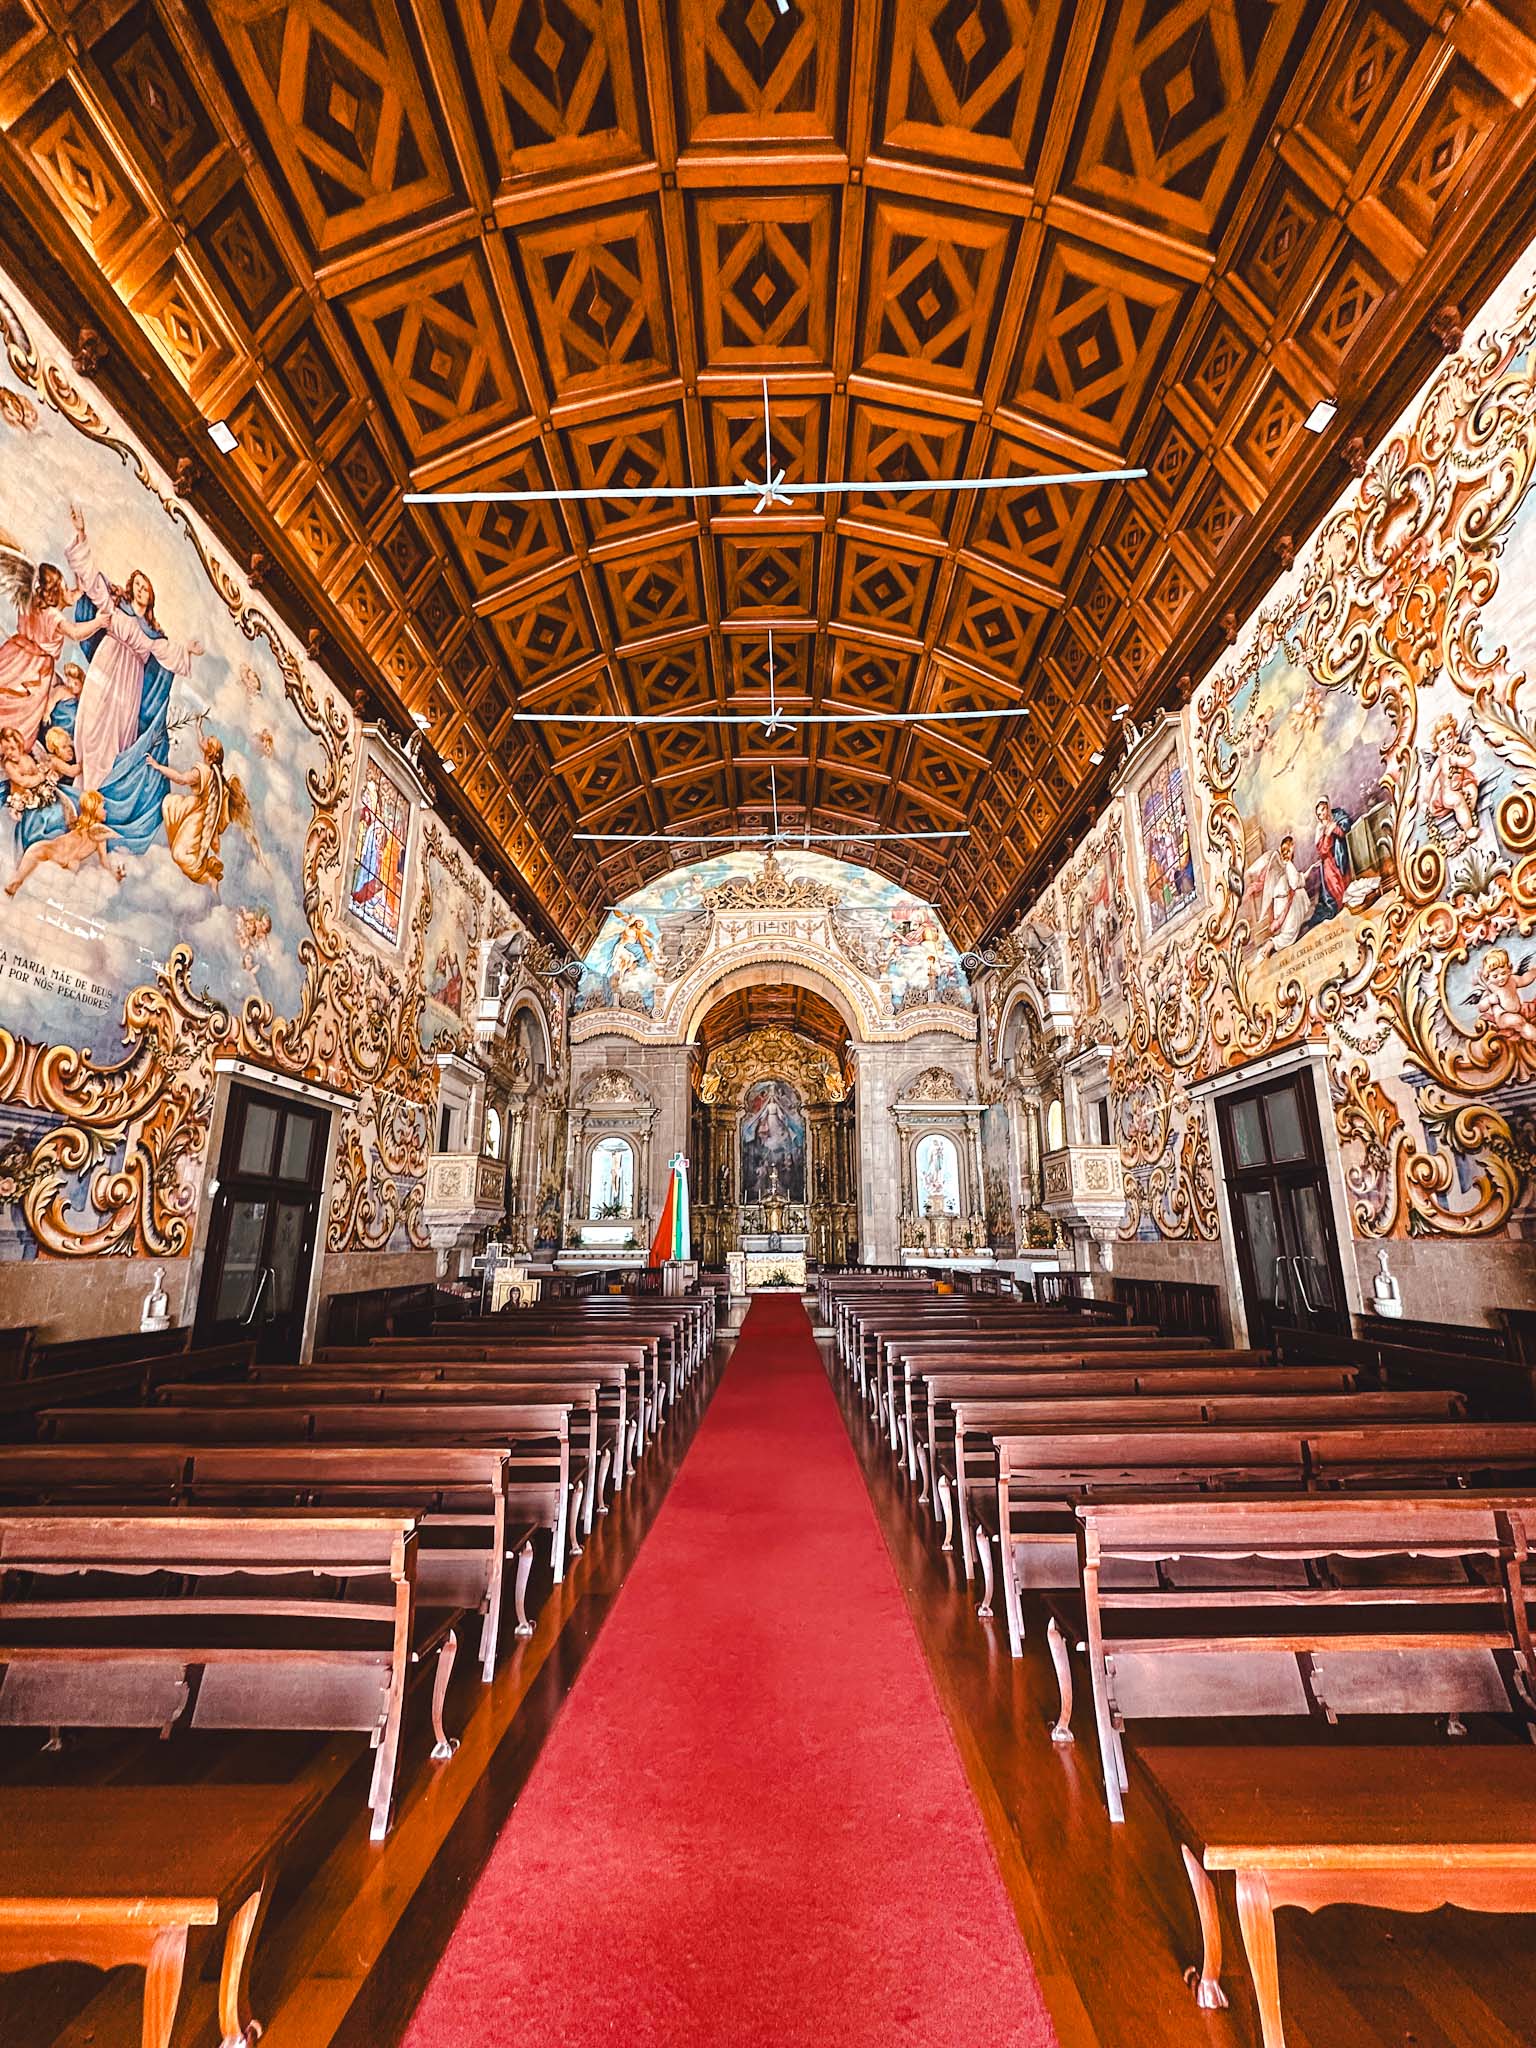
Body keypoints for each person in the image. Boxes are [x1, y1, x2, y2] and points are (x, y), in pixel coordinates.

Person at [65, 505, 202, 829]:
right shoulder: (115, 608)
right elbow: (92, 580)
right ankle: (81, 786)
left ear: (151, 596)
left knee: (115, 737)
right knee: (91, 721)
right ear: (131, 587)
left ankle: (95, 798)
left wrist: (189, 652)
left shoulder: (154, 635)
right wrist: (82, 535)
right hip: (105, 666)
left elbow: (171, 655)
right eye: (137, 584)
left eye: (146, 587)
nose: (141, 589)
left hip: (130, 682)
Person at [0, 548, 99, 751]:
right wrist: (98, 622)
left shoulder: (32, 599)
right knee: (24, 709)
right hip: (34, 666)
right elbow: (75, 633)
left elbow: (72, 596)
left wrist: (80, 581)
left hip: (14, 653)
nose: (67, 589)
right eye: (63, 585)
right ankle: (11, 748)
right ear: (56, 590)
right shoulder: (53, 615)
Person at [4, 787, 123, 895]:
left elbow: (103, 861)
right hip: (45, 850)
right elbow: (104, 861)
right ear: (94, 809)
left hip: (58, 859)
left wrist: (114, 875)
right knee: (15, 883)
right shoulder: (92, 831)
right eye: (102, 808)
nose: (105, 811)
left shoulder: (94, 835)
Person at [1254, 834, 1311, 958]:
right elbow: (1295, 884)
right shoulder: (1288, 864)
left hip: (1279, 905)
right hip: (1285, 904)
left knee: (1298, 894)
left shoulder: (1280, 864)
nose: (1292, 853)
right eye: (1291, 850)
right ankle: (1272, 944)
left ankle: (1289, 928)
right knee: (1289, 935)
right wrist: (1305, 876)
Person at [1476, 947, 1536, 1045]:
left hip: (1516, 1012)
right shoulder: (1492, 987)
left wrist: (1533, 973)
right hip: (1503, 1017)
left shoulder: (1512, 980)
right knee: (1519, 1021)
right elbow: (1481, 1007)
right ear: (1488, 976)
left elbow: (1524, 979)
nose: (1500, 978)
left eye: (1503, 973)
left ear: (1509, 969)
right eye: (1495, 976)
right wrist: (1489, 1001)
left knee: (1524, 1017)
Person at [1312, 797, 1352, 917]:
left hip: (1341, 854)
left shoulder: (1337, 815)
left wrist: (1334, 828)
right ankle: (1341, 907)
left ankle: (1348, 903)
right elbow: (1322, 851)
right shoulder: (1319, 829)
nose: (1321, 816)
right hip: (1329, 862)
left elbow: (1345, 829)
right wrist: (1328, 834)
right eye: (1319, 814)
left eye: (1323, 810)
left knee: (1346, 880)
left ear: (1328, 807)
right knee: (1335, 886)